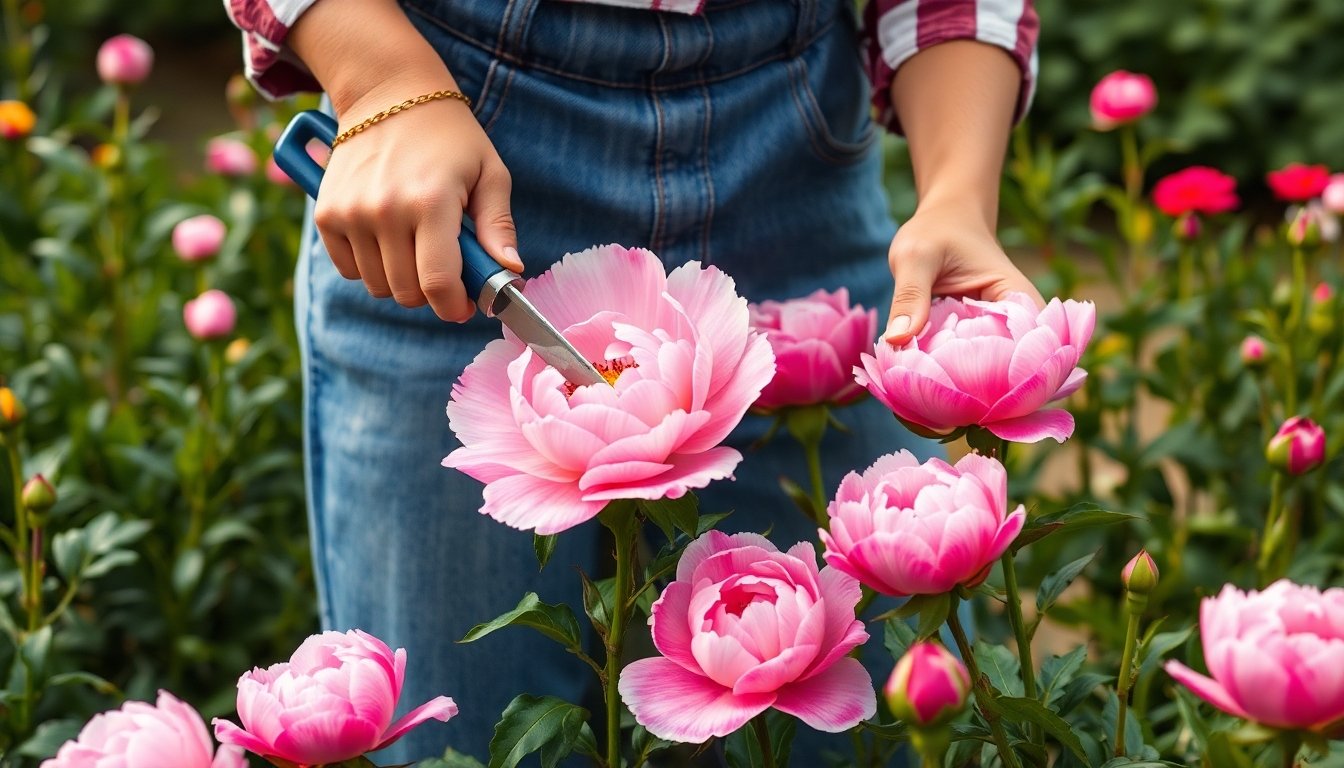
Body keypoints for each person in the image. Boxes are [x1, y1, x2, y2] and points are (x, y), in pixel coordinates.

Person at [225, 0, 1042, 761]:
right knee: (453, 733)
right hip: (443, 160)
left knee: (880, 722)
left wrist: (958, 197)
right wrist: (381, 81)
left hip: (792, 143)